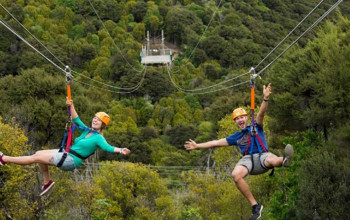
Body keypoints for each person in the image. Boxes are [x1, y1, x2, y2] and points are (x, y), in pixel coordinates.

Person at [184, 83, 294, 220]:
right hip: (247, 160)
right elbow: (216, 143)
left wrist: (265, 99)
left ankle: (284, 160)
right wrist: (197, 146)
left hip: (262, 157)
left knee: (272, 159)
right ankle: (255, 206)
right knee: (235, 175)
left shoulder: (256, 127)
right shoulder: (236, 136)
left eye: (241, 117)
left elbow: (260, 114)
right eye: (237, 119)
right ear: (235, 122)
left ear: (246, 117)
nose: (240, 120)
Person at [0, 98, 130, 196]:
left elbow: (108, 147)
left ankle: (4, 159)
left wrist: (120, 150)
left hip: (70, 160)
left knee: (35, 158)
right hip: (67, 153)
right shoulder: (87, 131)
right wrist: (71, 105)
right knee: (38, 153)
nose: (95, 120)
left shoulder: (98, 138)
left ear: (102, 125)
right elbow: (76, 120)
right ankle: (47, 182)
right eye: (95, 118)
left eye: (98, 120)